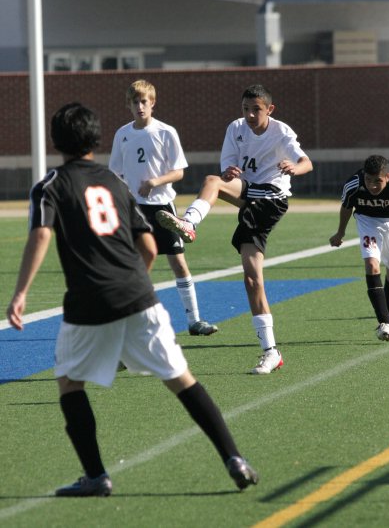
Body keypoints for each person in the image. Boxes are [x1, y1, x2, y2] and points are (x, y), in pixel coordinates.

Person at [6, 103, 258, 497]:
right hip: (139, 295)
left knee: (70, 383)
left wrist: (19, 293)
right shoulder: (114, 182)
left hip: (88, 301)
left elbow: (41, 236)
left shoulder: (50, 185)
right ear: (96, 140)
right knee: (181, 379)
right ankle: (234, 457)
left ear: (56, 141)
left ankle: (96, 476)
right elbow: (148, 246)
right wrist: (130, 280)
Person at [157, 84, 313, 375]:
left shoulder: (282, 132)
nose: (250, 115)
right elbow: (228, 164)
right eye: (246, 109)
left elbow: (307, 162)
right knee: (214, 181)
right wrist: (230, 172)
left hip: (272, 199)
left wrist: (294, 167)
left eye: (256, 109)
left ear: (270, 109)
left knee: (254, 279)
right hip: (251, 193)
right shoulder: (236, 128)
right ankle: (271, 352)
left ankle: (270, 352)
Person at [109, 79, 217, 337]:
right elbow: (115, 172)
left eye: (144, 101)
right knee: (133, 266)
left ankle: (194, 320)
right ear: (129, 105)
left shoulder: (166, 132)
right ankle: (130, 325)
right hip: (134, 210)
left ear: (153, 103)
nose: (140, 106)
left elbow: (179, 171)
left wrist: (155, 181)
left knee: (178, 262)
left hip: (162, 208)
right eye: (135, 102)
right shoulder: (122, 134)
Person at [329, 154, 389, 341]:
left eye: (378, 181)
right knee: (372, 265)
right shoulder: (353, 185)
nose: (372, 186)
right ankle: (385, 322)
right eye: (369, 180)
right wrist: (340, 233)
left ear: (387, 177)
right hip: (367, 222)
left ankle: (387, 310)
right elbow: (346, 207)